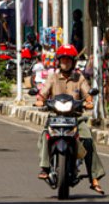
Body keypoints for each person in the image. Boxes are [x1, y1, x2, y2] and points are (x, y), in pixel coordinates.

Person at [35, 44, 104, 194]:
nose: (65, 62)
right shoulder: (53, 78)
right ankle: (45, 167)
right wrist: (40, 99)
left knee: (87, 140)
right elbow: (43, 93)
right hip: (55, 117)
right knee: (44, 136)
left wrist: (89, 101)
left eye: (68, 59)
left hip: (75, 118)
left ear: (73, 62)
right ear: (58, 61)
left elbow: (87, 94)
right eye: (63, 59)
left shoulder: (79, 78)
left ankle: (94, 177)